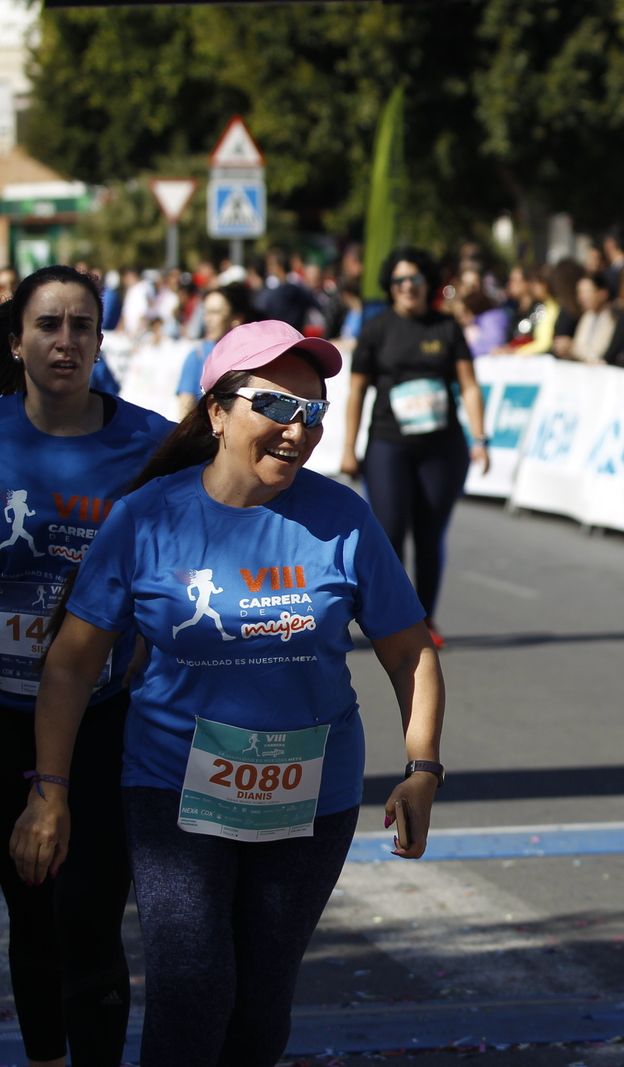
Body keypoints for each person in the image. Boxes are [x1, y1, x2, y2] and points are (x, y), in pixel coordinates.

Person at [10, 319, 445, 1067]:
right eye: (275, 406)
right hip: (174, 791)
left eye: (313, 412)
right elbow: (73, 665)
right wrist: (49, 788)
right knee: (192, 982)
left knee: (262, 996)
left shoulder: (342, 518)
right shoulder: (146, 518)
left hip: (310, 797)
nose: (296, 430)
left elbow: (412, 654)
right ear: (217, 411)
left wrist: (423, 767)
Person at [0, 266, 172, 1066]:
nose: (64, 341)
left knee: (90, 914)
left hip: (104, 720)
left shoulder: (148, 443)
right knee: (28, 913)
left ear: (101, 340)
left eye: (80, 326)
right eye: (47, 325)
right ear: (16, 341)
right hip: (1, 716)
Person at [341, 247, 490, 648]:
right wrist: (348, 448)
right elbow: (356, 392)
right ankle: (389, 620)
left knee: (430, 534)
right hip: (390, 443)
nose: (407, 287)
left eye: (415, 280)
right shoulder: (375, 329)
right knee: (389, 533)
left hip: (441, 448)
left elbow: (469, 385)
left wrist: (479, 438)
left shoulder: (445, 327)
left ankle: (425, 621)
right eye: (399, 281)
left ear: (428, 284)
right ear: (390, 288)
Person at [176, 282, 254, 418]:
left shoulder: (251, 357)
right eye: (205, 312)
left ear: (236, 318)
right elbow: (184, 412)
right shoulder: (197, 356)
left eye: (215, 312)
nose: (207, 319)